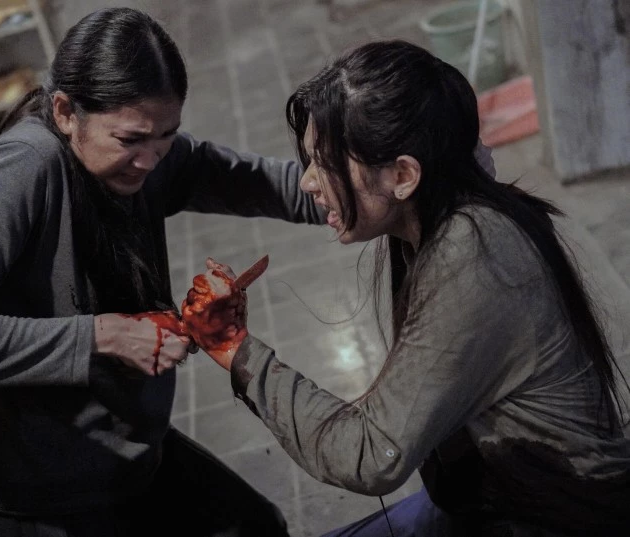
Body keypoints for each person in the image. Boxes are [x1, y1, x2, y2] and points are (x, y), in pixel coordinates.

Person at [0, 7, 332, 536]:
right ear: (65, 112)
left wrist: (353, 196)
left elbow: (254, 180)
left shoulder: (149, 153)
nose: (150, 159)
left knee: (258, 528)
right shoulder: (22, 170)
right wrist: (101, 336)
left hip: (133, 459)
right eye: (129, 140)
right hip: (43, 499)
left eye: (166, 136)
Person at [182, 40, 630, 537]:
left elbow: (370, 454)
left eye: (324, 163)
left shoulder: (473, 255)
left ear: (403, 175)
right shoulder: (447, 192)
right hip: (490, 495)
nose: (308, 182)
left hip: (553, 517)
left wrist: (235, 349)